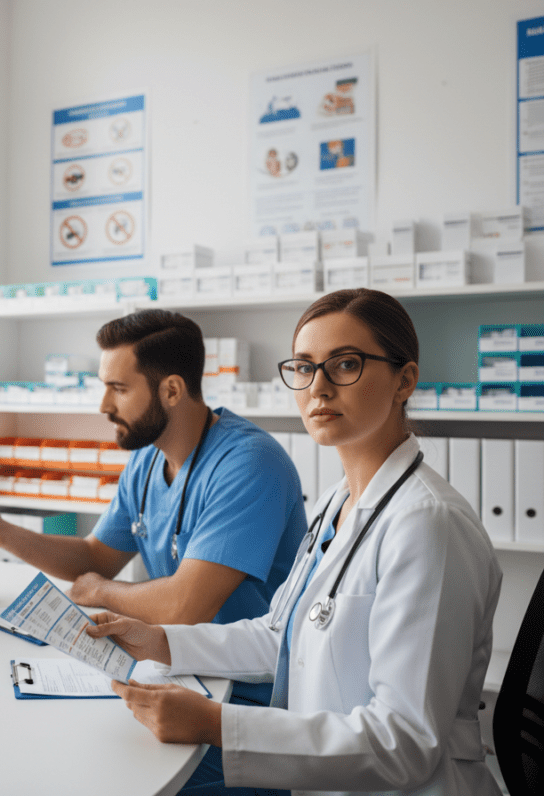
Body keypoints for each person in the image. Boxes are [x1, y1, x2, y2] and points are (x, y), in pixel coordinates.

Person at [88, 288, 503, 796]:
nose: (318, 388)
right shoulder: (338, 501)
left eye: (345, 364)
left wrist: (214, 723)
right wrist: (159, 641)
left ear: (405, 379)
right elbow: (277, 635)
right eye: (304, 368)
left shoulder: (428, 525)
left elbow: (405, 743)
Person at [0, 309, 306, 796]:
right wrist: (2, 534)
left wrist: (102, 592)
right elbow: (92, 557)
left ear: (171, 390)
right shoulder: (147, 461)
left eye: (119, 389)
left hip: (245, 705)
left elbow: (185, 606)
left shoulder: (248, 464)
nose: (103, 404)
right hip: (177, 676)